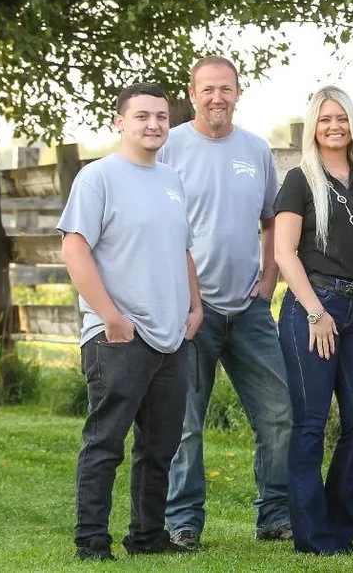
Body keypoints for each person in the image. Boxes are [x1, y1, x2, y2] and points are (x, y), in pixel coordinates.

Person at [59, 82, 203, 561]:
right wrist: (109, 317)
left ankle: (147, 536)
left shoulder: (171, 180)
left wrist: (195, 306)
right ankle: (91, 542)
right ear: (119, 121)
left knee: (159, 448)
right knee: (105, 444)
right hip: (119, 337)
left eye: (161, 116)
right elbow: (74, 247)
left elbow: (181, 249)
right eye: (142, 116)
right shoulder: (98, 177)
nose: (153, 124)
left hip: (171, 337)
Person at [160, 56, 292, 549]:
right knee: (186, 423)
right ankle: (184, 521)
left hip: (250, 308)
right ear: (192, 94)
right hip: (190, 310)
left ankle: (275, 515)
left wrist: (269, 278)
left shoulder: (255, 150)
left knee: (278, 415)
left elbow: (272, 219)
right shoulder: (169, 146)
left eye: (226, 89)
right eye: (208, 89)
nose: (218, 97)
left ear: (239, 93)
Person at [274, 85, 353, 555]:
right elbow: (284, 253)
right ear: (313, 126)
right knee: (309, 423)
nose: (334, 126)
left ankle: (340, 529)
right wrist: (316, 313)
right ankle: (314, 536)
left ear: (352, 123)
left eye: (341, 118)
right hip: (313, 309)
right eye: (325, 119)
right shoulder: (299, 181)